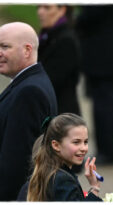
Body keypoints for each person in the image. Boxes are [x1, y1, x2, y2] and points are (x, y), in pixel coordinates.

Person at [0, 22, 57, 201]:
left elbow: (17, 163)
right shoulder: (30, 82)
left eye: (4, 46)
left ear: (27, 50)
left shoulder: (29, 91)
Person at [75, 5, 113, 165]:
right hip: (112, 50)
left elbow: (91, 14)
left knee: (103, 105)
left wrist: (77, 21)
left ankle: (106, 152)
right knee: (106, 103)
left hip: (103, 53)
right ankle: (106, 150)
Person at [26, 113, 102, 201]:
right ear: (56, 145)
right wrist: (95, 188)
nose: (83, 148)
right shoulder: (63, 180)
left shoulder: (48, 171)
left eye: (85, 142)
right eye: (76, 142)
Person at [37, 4, 81, 115]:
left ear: (62, 10)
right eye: (38, 7)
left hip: (60, 114)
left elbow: (51, 80)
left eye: (47, 8)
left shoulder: (66, 40)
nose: (40, 12)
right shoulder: (46, 35)